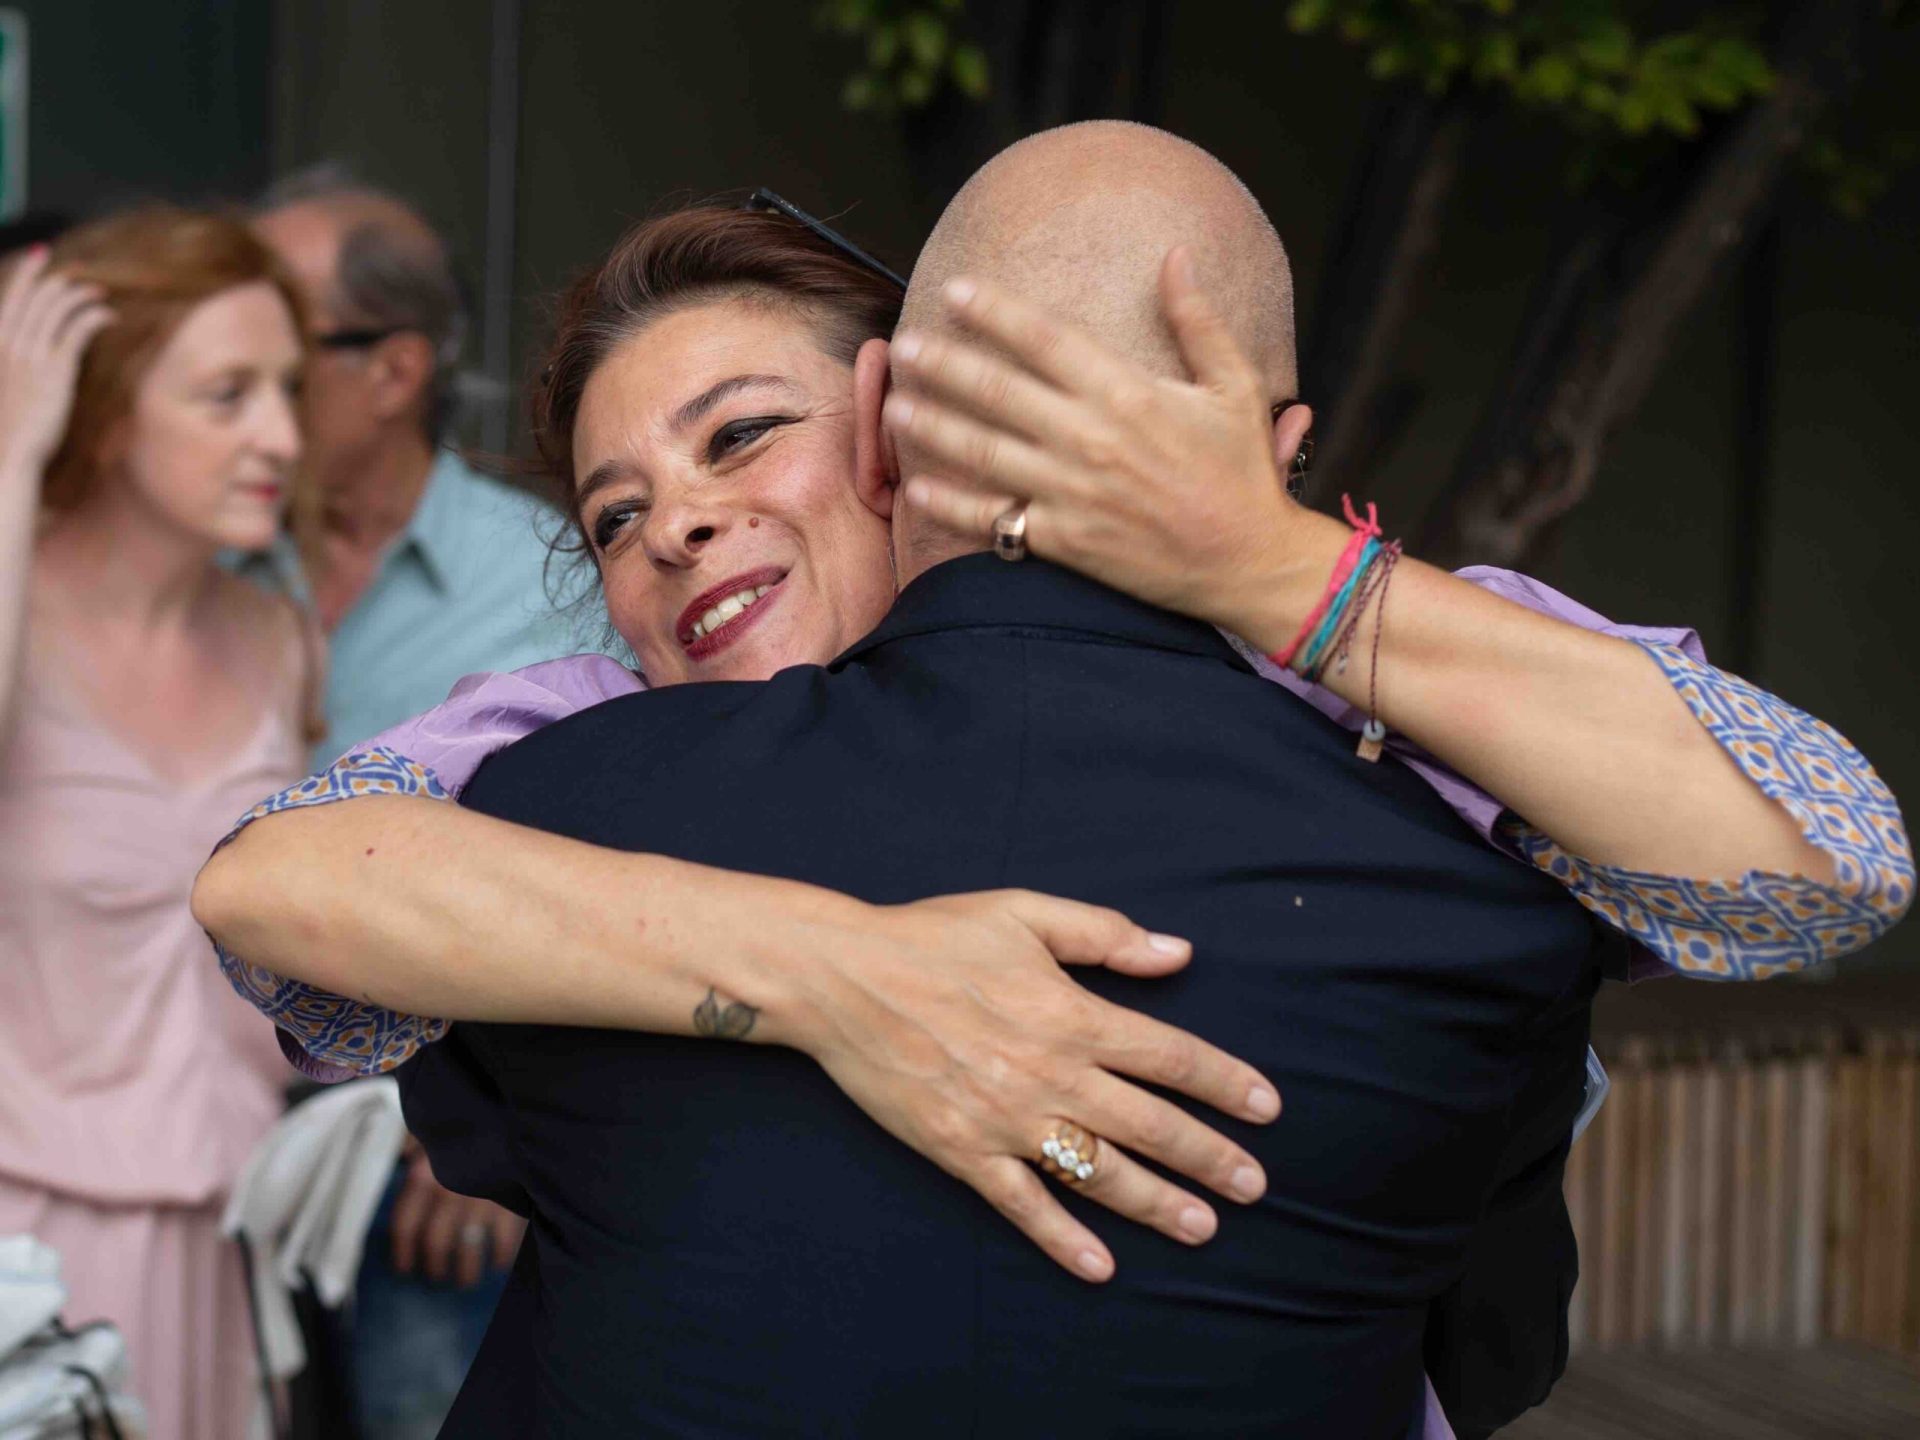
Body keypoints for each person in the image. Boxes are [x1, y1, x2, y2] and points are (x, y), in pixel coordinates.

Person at [196, 126, 1909, 1432]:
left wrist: (1262, 563)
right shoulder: (583, 732)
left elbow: (1827, 859)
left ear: (901, 421)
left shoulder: (1371, 671)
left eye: (740, 436)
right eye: (614, 515)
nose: (681, 525)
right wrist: (838, 969)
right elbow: (274, 889)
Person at [242, 168, 569, 1440]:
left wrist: (514, 1135)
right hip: (192, 1152)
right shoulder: (201, 550)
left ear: (393, 370)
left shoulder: (547, 580)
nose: (238, 361)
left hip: (429, 1172)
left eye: (277, 338)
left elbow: (609, 871)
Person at [0, 209, 311, 1440]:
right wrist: (13, 453)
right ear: (107, 407)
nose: (282, 436)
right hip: (25, 1248)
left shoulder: (280, 639)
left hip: (225, 1239)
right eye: (228, 395)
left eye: (287, 389)